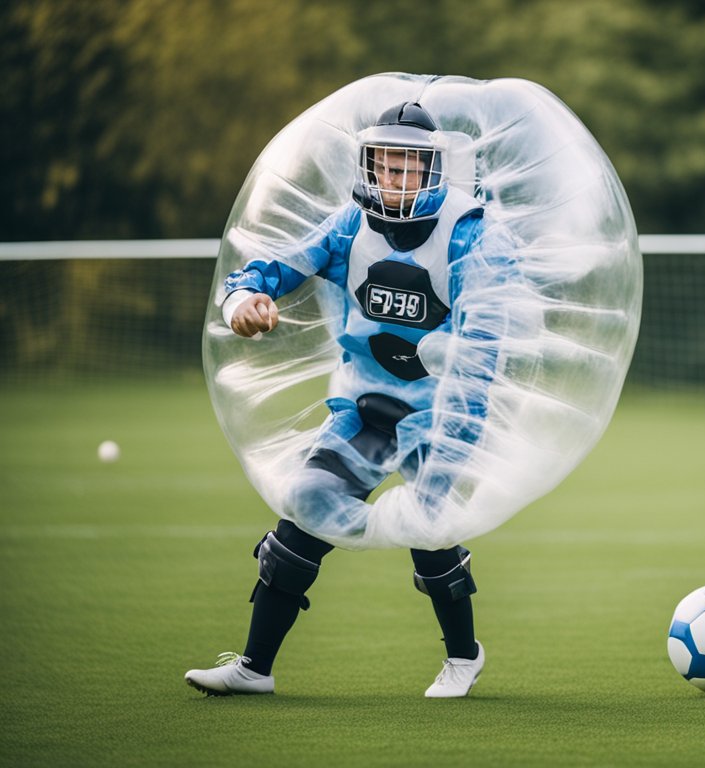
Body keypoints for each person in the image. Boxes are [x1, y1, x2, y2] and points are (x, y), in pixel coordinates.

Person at [186, 102, 505, 697]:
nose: (397, 178)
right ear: (371, 167)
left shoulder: (469, 234)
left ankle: (464, 658)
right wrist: (244, 303)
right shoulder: (348, 228)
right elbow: (271, 269)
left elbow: (485, 346)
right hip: (366, 407)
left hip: (441, 412)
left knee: (428, 531)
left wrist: (458, 430)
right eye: (388, 165)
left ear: (436, 171)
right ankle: (255, 668)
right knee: (306, 508)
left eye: (413, 166)